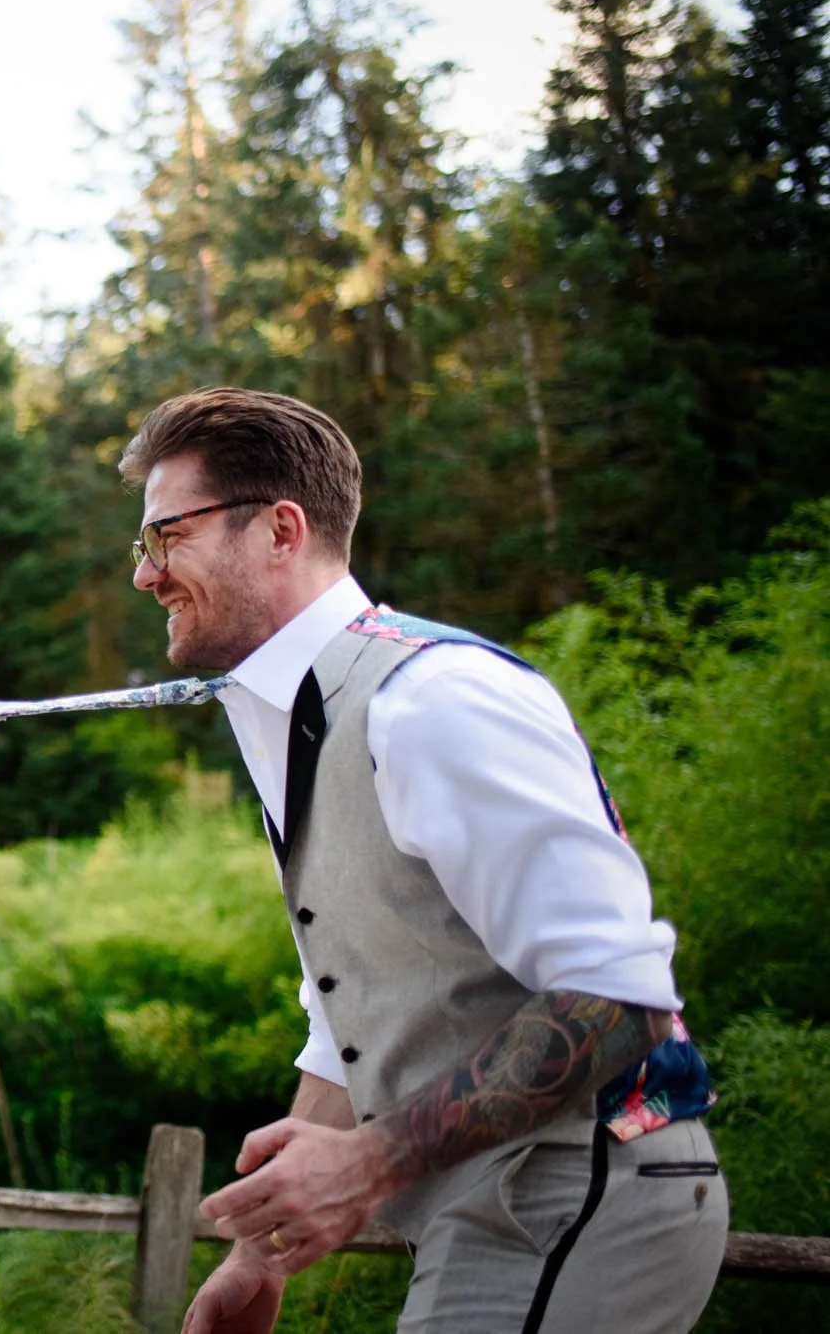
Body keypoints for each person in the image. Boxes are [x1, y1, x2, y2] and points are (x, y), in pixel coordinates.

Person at [112, 390, 724, 1334]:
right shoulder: (298, 720)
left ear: (280, 530)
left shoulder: (434, 698)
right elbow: (347, 1015)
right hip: (496, 1204)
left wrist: (363, 1164)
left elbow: (619, 999)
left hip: (585, 1188)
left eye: (166, 537)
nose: (146, 576)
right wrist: (259, 1255)